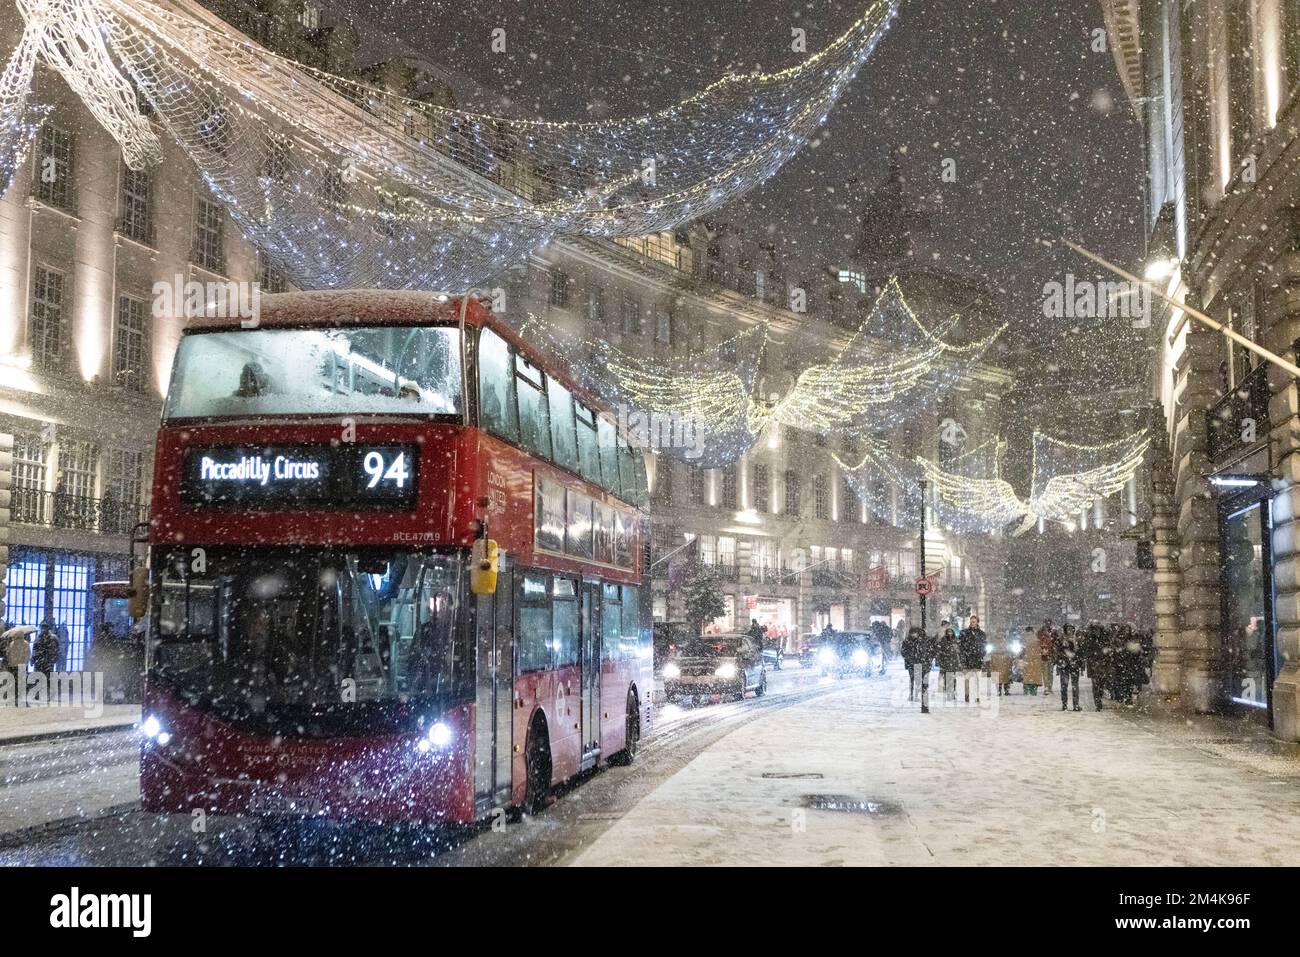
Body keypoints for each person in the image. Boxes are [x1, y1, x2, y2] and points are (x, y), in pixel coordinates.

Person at [904, 626, 935, 712]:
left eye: (915, 633)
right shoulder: (908, 641)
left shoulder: (924, 641)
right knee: (914, 680)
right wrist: (910, 658)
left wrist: (928, 659)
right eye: (913, 633)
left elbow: (931, 651)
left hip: (921, 664)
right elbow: (904, 651)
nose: (914, 634)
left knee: (921, 683)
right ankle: (913, 694)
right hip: (913, 664)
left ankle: (919, 698)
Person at [958, 614, 986, 704]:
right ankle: (967, 696)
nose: (972, 622)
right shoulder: (964, 633)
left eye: (974, 621)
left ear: (977, 622)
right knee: (967, 679)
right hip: (967, 659)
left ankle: (978, 696)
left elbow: (984, 646)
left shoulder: (982, 634)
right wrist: (963, 656)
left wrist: (981, 654)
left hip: (977, 659)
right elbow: (960, 646)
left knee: (978, 680)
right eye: (971, 621)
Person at [1081, 622, 1109, 711]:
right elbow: (1086, 651)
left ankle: (1099, 696)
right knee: (1095, 685)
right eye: (1095, 630)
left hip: (1103, 664)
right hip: (1093, 665)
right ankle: (1097, 703)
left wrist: (1104, 657)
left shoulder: (1104, 639)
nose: (1096, 632)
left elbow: (1108, 649)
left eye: (1098, 630)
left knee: (1101, 684)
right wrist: (1093, 659)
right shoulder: (1089, 639)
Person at [1055, 624, 1083, 711]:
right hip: (1065, 665)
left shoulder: (1076, 640)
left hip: (1073, 665)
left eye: (1071, 629)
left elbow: (1080, 652)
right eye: (1068, 629)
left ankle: (1076, 705)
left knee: (1075, 686)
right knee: (1064, 686)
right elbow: (1057, 651)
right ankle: (1065, 704)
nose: (1070, 631)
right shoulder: (1061, 639)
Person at [936, 622, 960, 702]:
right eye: (948, 632)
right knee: (946, 679)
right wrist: (939, 662)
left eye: (951, 632)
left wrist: (959, 661)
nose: (950, 633)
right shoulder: (943, 640)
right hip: (945, 662)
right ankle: (948, 693)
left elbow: (959, 651)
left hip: (953, 662)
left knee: (953, 678)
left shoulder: (956, 640)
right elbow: (939, 652)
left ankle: (953, 693)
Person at [1020, 625, 1043, 695]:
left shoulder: (1024, 638)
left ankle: (1026, 689)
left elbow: (1022, 649)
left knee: (1026, 675)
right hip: (1035, 660)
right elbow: (1040, 649)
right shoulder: (1036, 638)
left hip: (1026, 659)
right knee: (1034, 675)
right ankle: (1033, 690)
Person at [989, 630, 1013, 696]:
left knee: (997, 676)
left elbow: (990, 649)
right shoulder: (1006, 640)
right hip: (1005, 659)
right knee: (1006, 676)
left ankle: (999, 690)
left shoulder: (993, 641)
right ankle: (1006, 690)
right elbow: (1010, 649)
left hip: (996, 659)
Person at [1037, 619, 1056, 694]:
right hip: (1044, 655)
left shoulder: (1053, 632)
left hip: (1049, 655)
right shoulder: (1041, 632)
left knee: (1049, 672)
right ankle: (1047, 688)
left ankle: (1049, 687)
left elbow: (1055, 643)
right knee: (1046, 672)